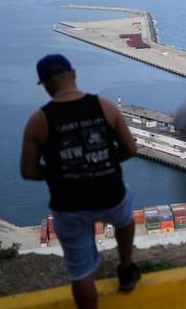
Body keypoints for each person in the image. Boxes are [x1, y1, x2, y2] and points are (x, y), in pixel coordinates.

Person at [20, 54, 141, 309]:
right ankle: (126, 268)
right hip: (110, 194)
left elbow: (28, 171)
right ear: (74, 74)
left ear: (44, 84)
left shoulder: (39, 121)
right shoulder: (105, 107)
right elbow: (131, 149)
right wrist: (104, 163)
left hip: (69, 204)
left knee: (80, 272)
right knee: (124, 213)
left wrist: (61, 171)